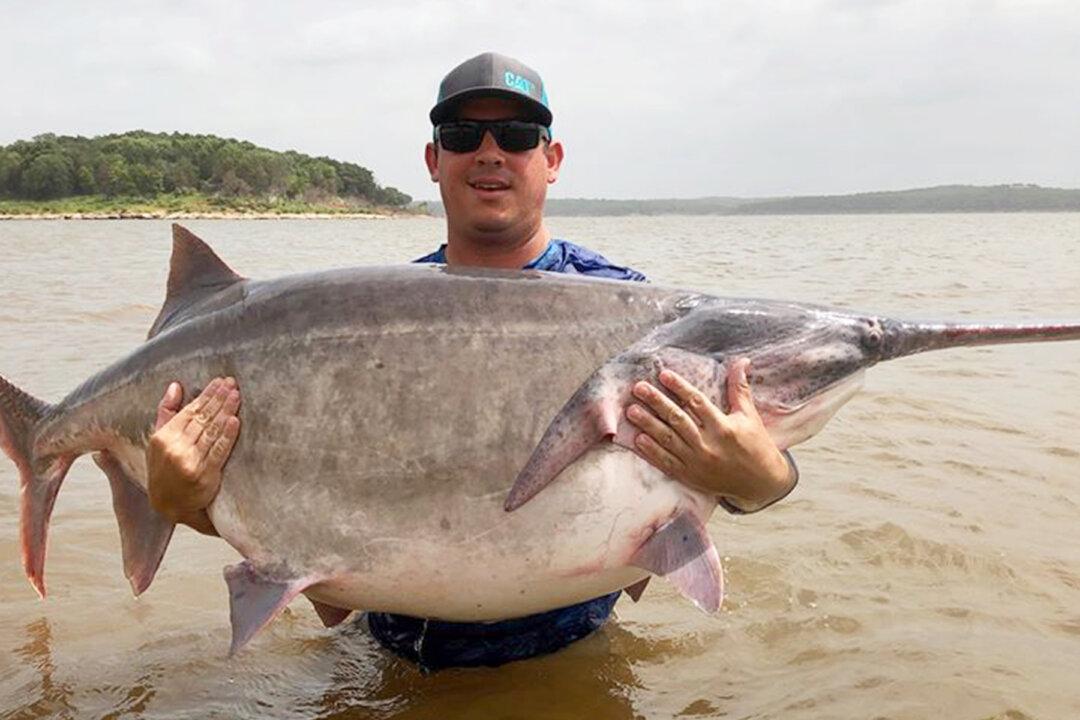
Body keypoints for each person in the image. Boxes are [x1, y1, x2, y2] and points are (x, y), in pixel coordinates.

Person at [146, 52, 798, 670]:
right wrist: (183, 504)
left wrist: (766, 481)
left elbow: (738, 438)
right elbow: (311, 502)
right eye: (463, 134)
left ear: (553, 158)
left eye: (516, 134)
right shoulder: (374, 319)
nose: (490, 152)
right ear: (434, 160)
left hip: (566, 658)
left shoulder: (627, 308)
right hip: (385, 656)